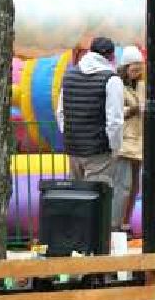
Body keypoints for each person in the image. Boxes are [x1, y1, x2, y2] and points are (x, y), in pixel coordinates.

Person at [60, 37, 128, 220]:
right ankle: (95, 243)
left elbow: (61, 112)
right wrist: (114, 147)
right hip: (99, 150)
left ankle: (75, 241)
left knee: (76, 197)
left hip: (73, 148)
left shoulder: (69, 75)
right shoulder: (111, 80)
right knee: (97, 198)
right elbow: (115, 120)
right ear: (111, 55)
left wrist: (70, 135)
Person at [115, 46, 145, 230]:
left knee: (134, 186)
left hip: (139, 141)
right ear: (125, 68)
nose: (137, 72)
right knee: (123, 185)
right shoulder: (118, 86)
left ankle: (125, 222)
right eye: (134, 68)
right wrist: (133, 109)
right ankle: (115, 224)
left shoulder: (141, 85)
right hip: (125, 142)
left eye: (139, 68)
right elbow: (115, 111)